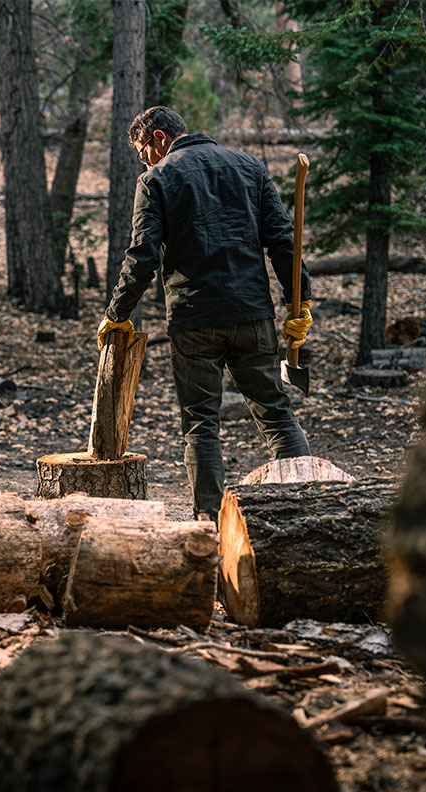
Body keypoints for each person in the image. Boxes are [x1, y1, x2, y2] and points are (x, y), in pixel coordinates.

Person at [97, 106, 313, 522]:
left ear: (158, 138)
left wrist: (117, 313)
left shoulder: (156, 179)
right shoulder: (249, 167)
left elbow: (142, 256)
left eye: (145, 152)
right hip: (252, 313)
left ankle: (208, 526)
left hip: (194, 319)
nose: (146, 161)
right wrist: (298, 299)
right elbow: (285, 241)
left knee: (200, 424)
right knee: (276, 413)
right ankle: (304, 509)